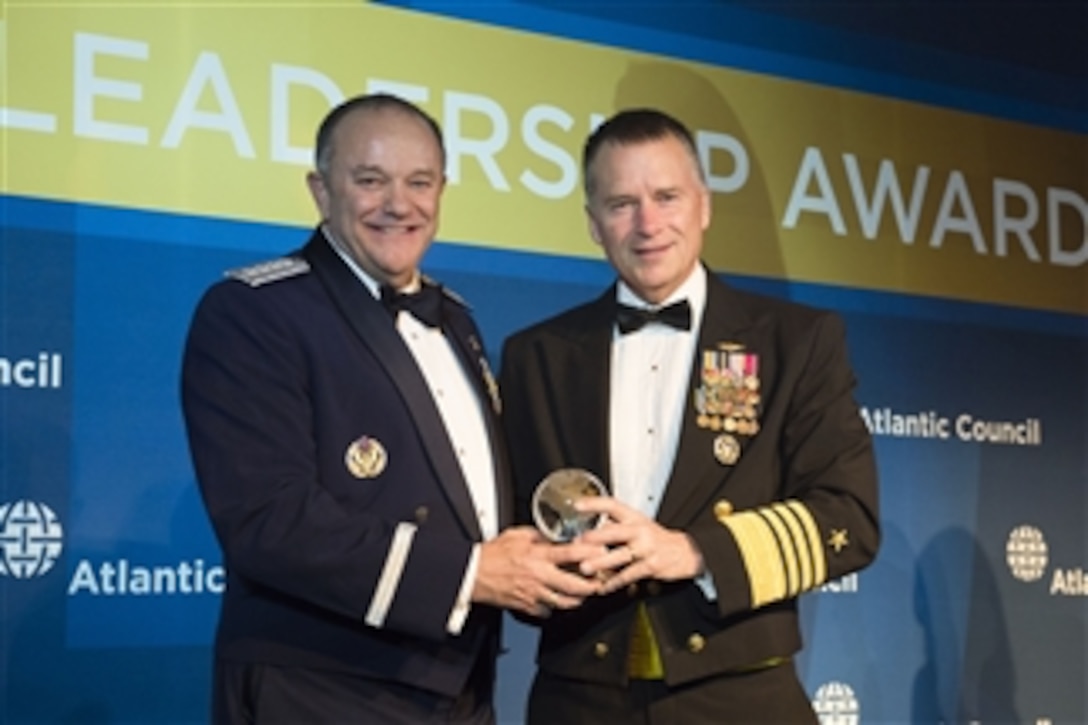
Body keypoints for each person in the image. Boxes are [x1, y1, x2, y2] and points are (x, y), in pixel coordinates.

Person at [181, 93, 598, 724]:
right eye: (370, 180)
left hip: (459, 684)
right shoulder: (254, 311)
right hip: (323, 688)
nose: (398, 204)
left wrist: (545, 560)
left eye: (419, 182)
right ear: (321, 191)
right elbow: (269, 523)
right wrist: (472, 574)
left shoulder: (455, 319)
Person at [499, 108, 880, 723]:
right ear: (593, 224)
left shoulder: (796, 341)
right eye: (621, 203)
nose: (647, 224)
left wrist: (696, 552)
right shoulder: (534, 356)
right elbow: (515, 526)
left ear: (703, 205)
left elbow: (850, 517)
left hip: (741, 697)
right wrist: (548, 577)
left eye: (667, 196)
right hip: (579, 699)